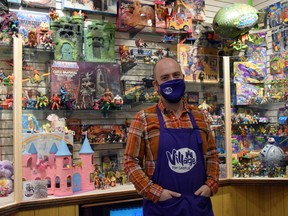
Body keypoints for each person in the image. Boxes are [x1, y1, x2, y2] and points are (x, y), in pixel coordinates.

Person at [124, 57, 219, 216]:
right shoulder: (144, 119)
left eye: (176, 75)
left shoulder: (200, 116)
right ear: (156, 86)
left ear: (183, 77)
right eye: (165, 78)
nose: (173, 81)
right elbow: (130, 162)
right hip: (163, 209)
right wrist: (154, 192)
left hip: (198, 207)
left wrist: (211, 185)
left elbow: (212, 155)